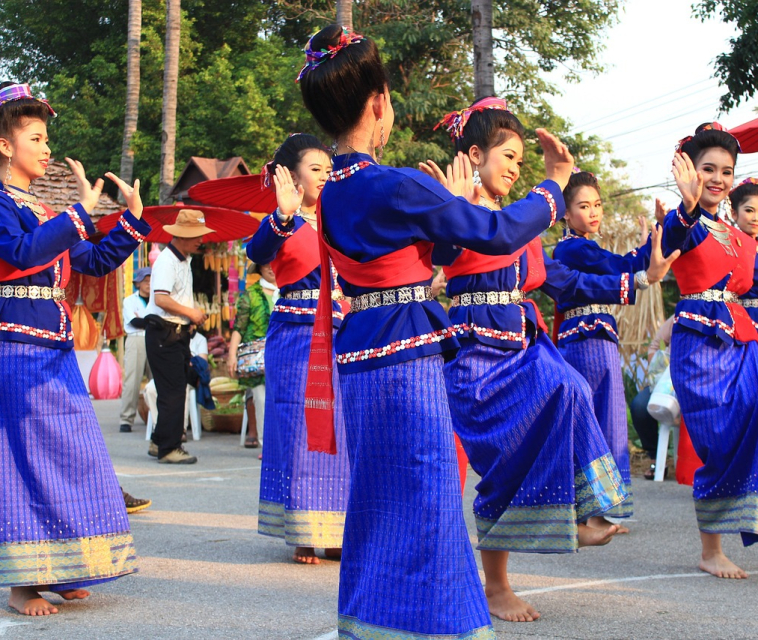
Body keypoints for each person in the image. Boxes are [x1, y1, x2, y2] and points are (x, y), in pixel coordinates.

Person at [299, 25, 573, 638]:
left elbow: (426, 255)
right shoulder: (395, 183)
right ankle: (438, 627)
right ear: (377, 105)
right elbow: (500, 235)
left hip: (365, 354)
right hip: (405, 361)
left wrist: (449, 204)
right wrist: (553, 187)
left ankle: (374, 623)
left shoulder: (335, 192)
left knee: (381, 504)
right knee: (428, 503)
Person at [424, 97, 675, 621]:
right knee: (501, 462)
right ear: (474, 155)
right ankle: (495, 585)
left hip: (523, 344)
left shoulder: (517, 220)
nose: (516, 168)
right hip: (475, 352)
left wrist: (661, 244)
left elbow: (568, 279)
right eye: (507, 156)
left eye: (521, 159)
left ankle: (584, 512)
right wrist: (451, 208)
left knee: (572, 390)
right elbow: (439, 258)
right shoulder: (456, 205)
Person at [0, 81, 150, 615]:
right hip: (14, 344)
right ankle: (22, 582)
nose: (47, 147)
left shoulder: (44, 209)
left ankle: (66, 562)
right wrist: (76, 215)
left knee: (70, 452)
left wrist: (133, 221)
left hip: (52, 344)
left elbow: (90, 262)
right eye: (37, 137)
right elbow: (22, 253)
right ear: (6, 145)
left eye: (47, 138)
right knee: (18, 457)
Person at [246, 133, 349, 565]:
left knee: (339, 429)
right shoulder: (281, 222)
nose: (325, 177)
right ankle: (304, 532)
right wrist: (283, 215)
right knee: (300, 427)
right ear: (290, 176)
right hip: (295, 333)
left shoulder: (340, 221)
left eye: (329, 170)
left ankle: (338, 526)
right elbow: (256, 251)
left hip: (341, 332)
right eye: (315, 170)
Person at [662, 122, 758, 579]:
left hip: (741, 341)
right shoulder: (683, 220)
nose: (718, 179)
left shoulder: (741, 236)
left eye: (726, 171)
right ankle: (711, 550)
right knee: (718, 441)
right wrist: (685, 203)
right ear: (691, 171)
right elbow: (667, 247)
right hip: (699, 347)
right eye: (708, 169)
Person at [551, 171, 656, 529]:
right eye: (584, 206)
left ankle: (593, 509)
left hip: (589, 338)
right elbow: (619, 268)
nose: (593, 212)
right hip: (589, 341)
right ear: (566, 212)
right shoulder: (575, 248)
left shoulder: (578, 247)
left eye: (597, 205)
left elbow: (617, 267)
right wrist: (647, 251)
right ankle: (593, 511)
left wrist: (644, 250)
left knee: (598, 419)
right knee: (600, 419)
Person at [144, 210, 208, 463]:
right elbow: (161, 298)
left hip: (175, 331)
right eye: (195, 236)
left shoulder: (184, 260)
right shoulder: (167, 261)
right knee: (173, 392)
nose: (200, 240)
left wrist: (189, 318)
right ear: (181, 236)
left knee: (174, 387)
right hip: (164, 330)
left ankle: (159, 439)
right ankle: (169, 448)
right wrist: (190, 313)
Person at [226, 260, 276, 449]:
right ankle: (266, 446)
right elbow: (239, 327)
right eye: (266, 264)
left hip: (281, 355)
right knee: (261, 399)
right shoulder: (251, 294)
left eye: (274, 263)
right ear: (260, 269)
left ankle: (281, 445)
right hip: (257, 358)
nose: (270, 267)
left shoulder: (289, 291)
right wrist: (232, 355)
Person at [629, 315, 675, 479]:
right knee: (640, 406)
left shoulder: (716, 312)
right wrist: (659, 368)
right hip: (666, 381)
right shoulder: (678, 317)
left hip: (696, 381)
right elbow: (655, 346)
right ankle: (655, 458)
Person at [119, 267, 151, 433]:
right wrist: (152, 321)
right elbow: (134, 322)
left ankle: (157, 417)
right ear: (138, 283)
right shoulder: (129, 300)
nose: (148, 283)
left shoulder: (157, 299)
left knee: (156, 380)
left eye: (151, 280)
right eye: (145, 280)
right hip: (136, 338)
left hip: (154, 338)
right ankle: (126, 418)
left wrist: (146, 321)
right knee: (132, 380)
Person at [731, 177, 758, 328]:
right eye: (749, 210)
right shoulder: (726, 247)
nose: (756, 218)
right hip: (736, 319)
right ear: (734, 213)